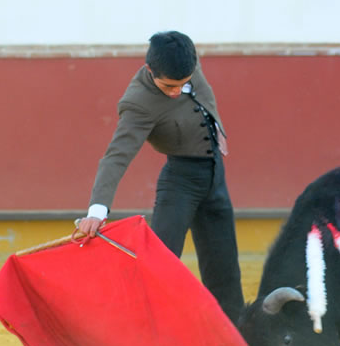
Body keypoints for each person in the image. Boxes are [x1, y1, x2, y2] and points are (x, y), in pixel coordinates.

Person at [77, 31, 244, 326]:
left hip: (216, 177)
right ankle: (139, 334)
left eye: (183, 84)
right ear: (150, 70)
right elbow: (117, 156)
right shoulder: (139, 103)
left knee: (226, 273)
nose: (176, 91)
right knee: (160, 266)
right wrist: (97, 210)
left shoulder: (186, 57)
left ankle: (236, 345)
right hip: (181, 182)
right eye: (168, 86)